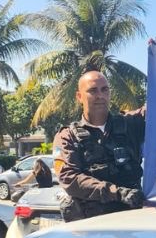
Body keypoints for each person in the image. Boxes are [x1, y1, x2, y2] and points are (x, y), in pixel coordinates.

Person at [53, 70, 146, 222]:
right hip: (91, 226)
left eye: (104, 90)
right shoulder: (66, 136)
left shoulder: (130, 124)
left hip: (131, 221)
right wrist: (117, 193)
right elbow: (69, 179)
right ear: (79, 96)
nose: (100, 96)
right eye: (92, 90)